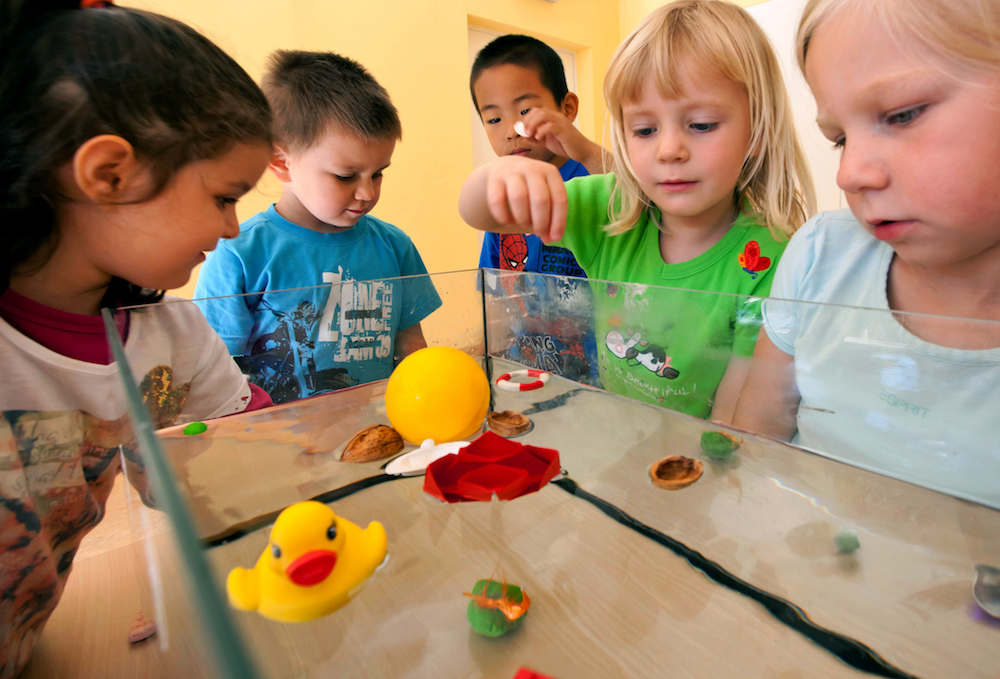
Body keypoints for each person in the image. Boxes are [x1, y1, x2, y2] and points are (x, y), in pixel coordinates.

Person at [0, 0, 275, 674]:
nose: (235, 226)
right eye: (223, 196)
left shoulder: (174, 336)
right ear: (109, 174)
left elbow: (242, 464)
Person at [459, 0, 815, 420]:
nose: (669, 150)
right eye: (644, 130)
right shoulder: (611, 210)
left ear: (757, 130)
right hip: (616, 431)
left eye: (701, 124)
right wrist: (500, 176)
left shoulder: (768, 255)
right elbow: (478, 213)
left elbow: (738, 409)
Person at [733, 0, 1000, 506]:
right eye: (838, 139)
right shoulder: (818, 254)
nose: (849, 173)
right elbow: (758, 435)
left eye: (902, 114)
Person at [195, 51, 442, 404]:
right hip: (277, 444)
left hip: (377, 428)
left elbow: (411, 346)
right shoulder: (238, 253)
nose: (367, 192)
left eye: (378, 173)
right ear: (282, 163)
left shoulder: (394, 245)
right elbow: (215, 374)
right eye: (345, 176)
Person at [471, 34, 607, 384]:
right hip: (523, 375)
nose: (511, 133)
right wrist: (492, 363)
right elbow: (493, 293)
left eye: (525, 111)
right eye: (493, 119)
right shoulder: (503, 194)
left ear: (567, 108)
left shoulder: (594, 176)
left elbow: (641, 191)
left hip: (597, 378)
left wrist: (586, 149)